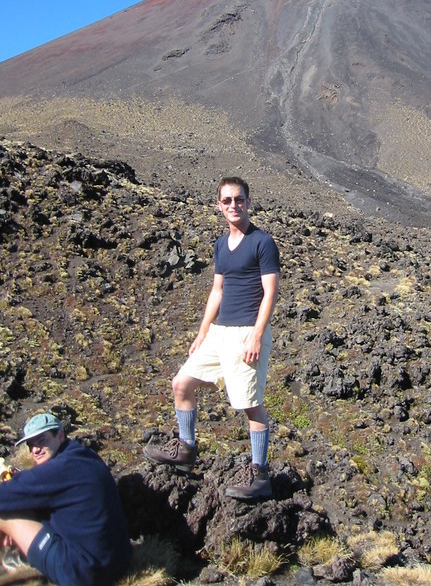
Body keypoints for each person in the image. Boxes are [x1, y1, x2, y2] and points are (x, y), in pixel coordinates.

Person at [144, 176, 280, 500]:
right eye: (227, 200)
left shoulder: (262, 242)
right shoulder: (221, 245)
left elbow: (271, 293)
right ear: (219, 206)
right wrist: (203, 332)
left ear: (248, 202)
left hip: (247, 332)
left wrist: (257, 336)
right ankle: (186, 448)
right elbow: (217, 290)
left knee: (250, 406)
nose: (234, 205)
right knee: (181, 384)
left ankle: (260, 475)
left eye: (239, 199)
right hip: (220, 333)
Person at [0, 413, 132, 586]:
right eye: (30, 445)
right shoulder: (84, 455)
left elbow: (5, 497)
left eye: (41, 441)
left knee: (5, 516)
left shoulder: (59, 470)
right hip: (117, 563)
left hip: (82, 573)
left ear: (60, 435)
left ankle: (11, 563)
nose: (35, 450)